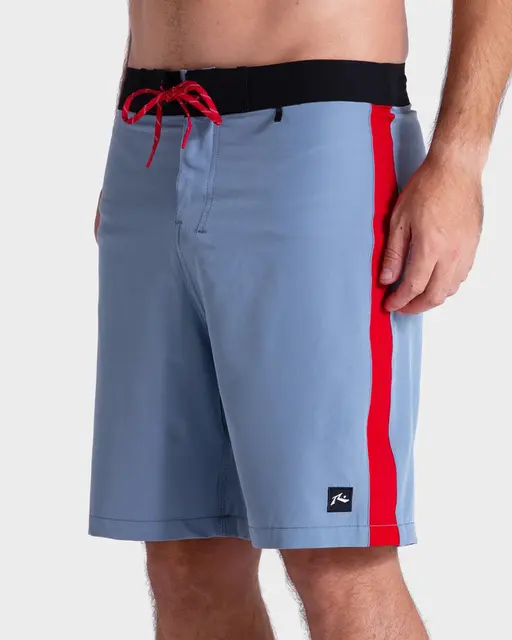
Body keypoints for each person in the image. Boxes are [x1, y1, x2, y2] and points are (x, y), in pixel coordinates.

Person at [89, 1, 511, 638]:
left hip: (316, 134)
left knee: (336, 554)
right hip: (151, 132)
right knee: (186, 558)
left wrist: (458, 162)